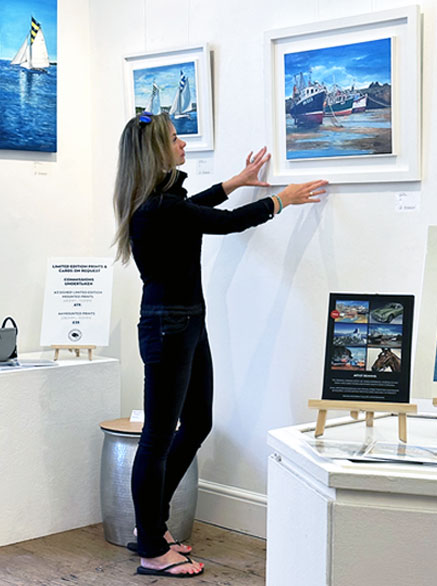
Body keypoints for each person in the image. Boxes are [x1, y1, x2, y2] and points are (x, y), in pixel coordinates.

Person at [113, 110, 328, 579]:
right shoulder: (158, 207)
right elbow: (224, 223)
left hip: (187, 322)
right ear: (156, 151)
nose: (183, 144)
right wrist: (283, 200)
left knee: (197, 423)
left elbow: (197, 209)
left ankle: (152, 527)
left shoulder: (162, 202)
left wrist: (236, 181)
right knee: (157, 439)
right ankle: (151, 548)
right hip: (169, 328)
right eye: (175, 138)